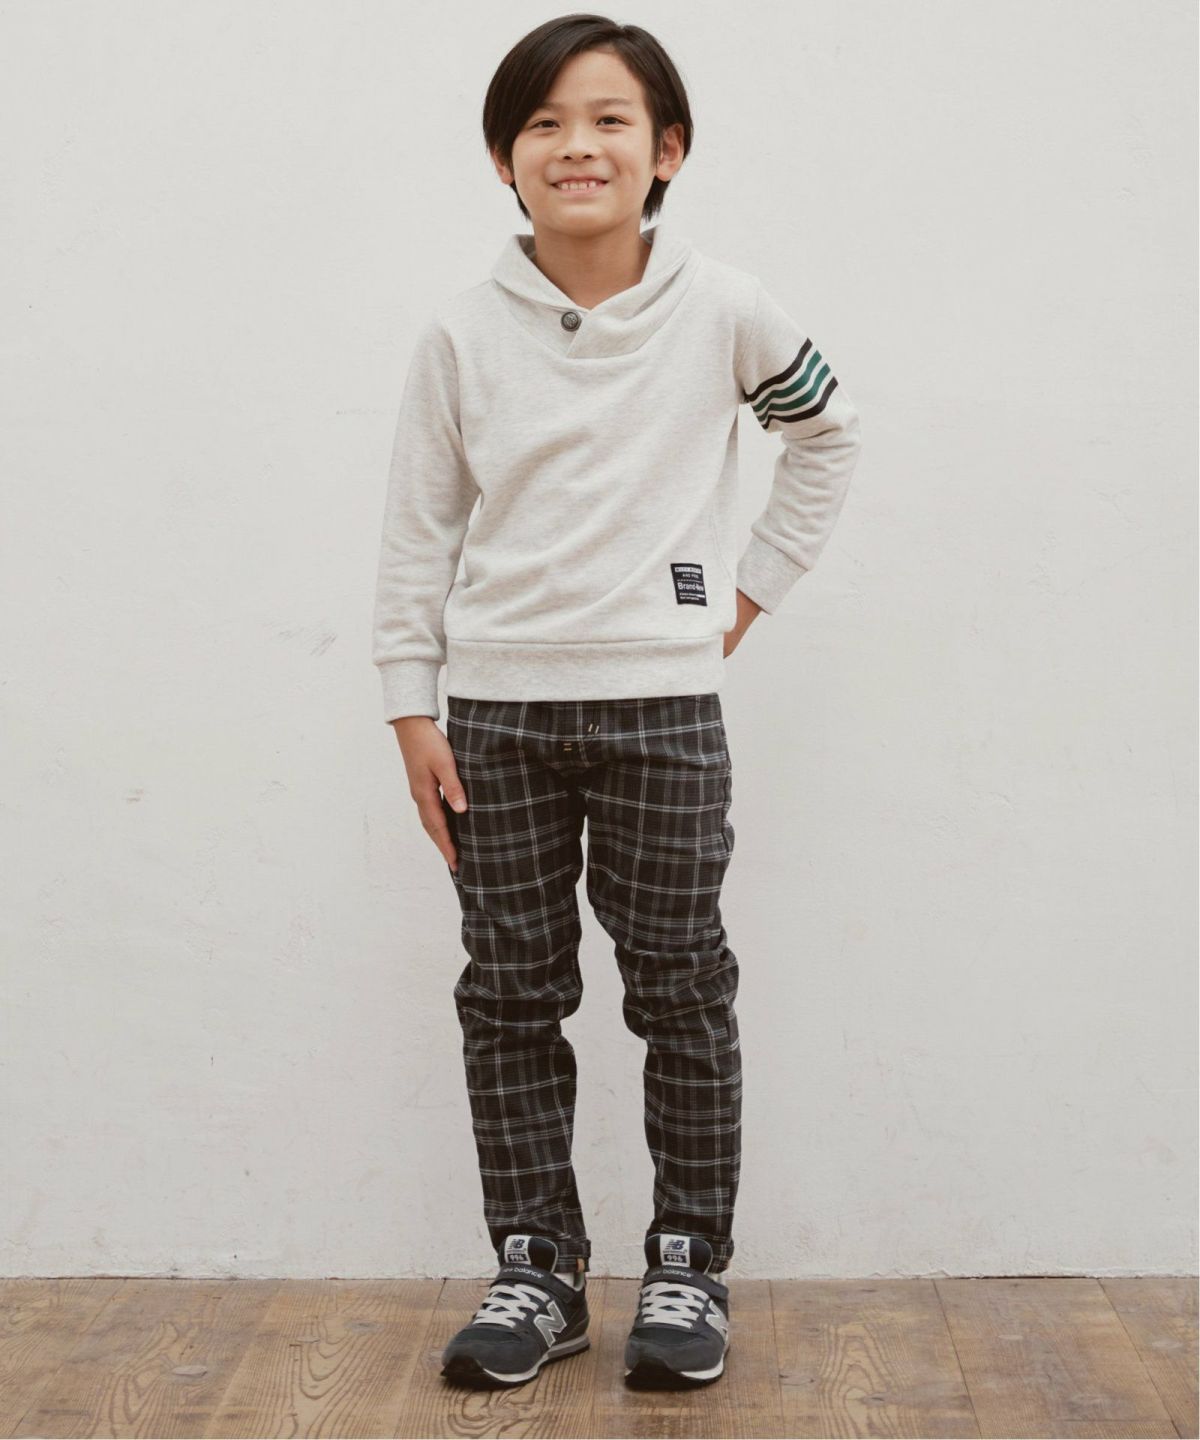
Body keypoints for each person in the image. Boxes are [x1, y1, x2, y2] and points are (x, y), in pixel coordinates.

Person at [371, 14, 862, 1393]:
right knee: (510, 993)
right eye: (543, 124)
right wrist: (412, 707)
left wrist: (743, 597)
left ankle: (688, 1268)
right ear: (503, 159)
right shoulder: (460, 332)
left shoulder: (728, 308)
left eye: (608, 120)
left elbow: (827, 433)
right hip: (497, 718)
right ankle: (536, 1269)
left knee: (681, 987)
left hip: (663, 714)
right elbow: (419, 527)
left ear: (668, 151)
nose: (576, 146)